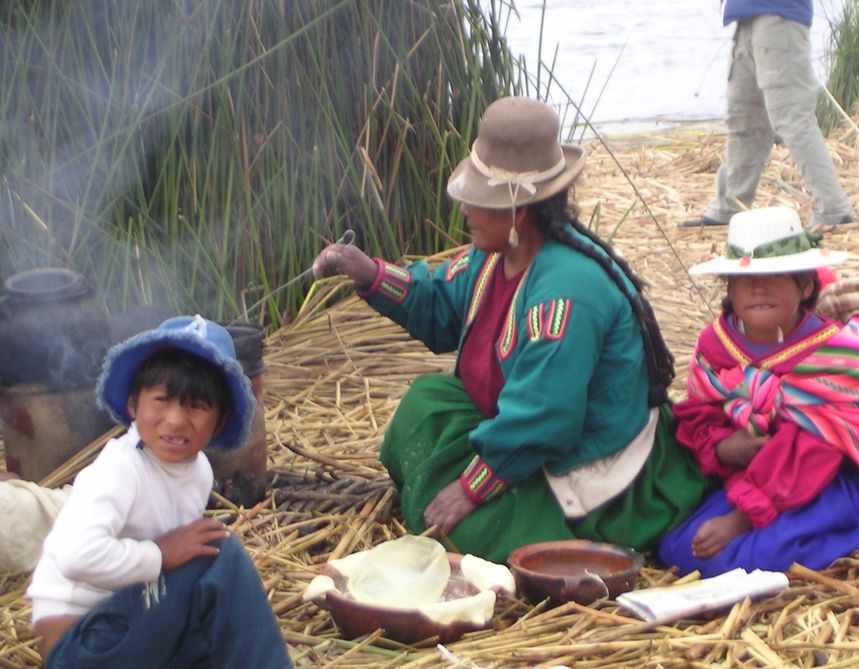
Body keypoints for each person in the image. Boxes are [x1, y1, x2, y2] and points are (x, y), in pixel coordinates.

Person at [313, 96, 711, 563]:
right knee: (424, 404)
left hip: (584, 464)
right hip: (522, 431)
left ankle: (554, 538)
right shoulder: (494, 255)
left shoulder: (565, 295)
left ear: (517, 209)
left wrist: (471, 488)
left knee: (474, 530)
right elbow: (442, 301)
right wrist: (370, 274)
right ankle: (486, 489)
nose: (462, 208)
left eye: (477, 199)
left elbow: (546, 418)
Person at [658, 207, 859, 576]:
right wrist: (723, 446)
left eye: (776, 275)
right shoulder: (715, 345)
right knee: (678, 549)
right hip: (753, 479)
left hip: (836, 483)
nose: (758, 288)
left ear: (806, 286)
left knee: (752, 559)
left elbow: (824, 442)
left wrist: (742, 518)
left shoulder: (835, 352)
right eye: (744, 279)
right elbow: (701, 410)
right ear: (729, 289)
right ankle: (815, 537)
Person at [26, 315, 292, 668]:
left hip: (137, 625)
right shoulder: (119, 469)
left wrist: (168, 560)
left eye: (196, 406)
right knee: (217, 549)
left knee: (207, 576)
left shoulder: (198, 473)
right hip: (83, 644)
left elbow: (177, 578)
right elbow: (78, 557)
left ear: (221, 421)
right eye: (162, 401)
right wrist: (159, 555)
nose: (176, 420)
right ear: (134, 405)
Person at [680, 0, 854, 228]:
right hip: (748, 15)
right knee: (743, 116)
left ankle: (832, 207)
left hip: (778, 15)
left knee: (791, 115)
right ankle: (728, 208)